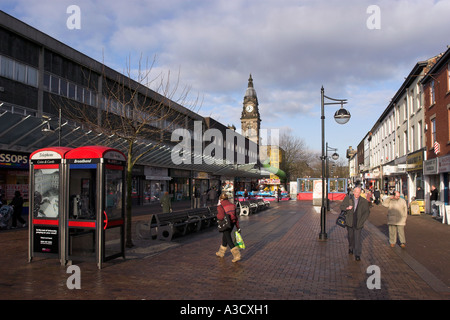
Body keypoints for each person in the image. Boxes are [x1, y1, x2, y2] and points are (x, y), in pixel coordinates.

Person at [339, 186, 370, 261]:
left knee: (358, 239)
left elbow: (367, 212)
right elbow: (341, 206)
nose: (357, 194)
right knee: (350, 236)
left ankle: (357, 254)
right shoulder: (348, 199)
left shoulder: (363, 201)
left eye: (359, 192)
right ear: (353, 192)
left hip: (358, 222)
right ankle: (350, 247)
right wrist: (347, 208)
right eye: (356, 192)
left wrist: (362, 220)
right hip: (350, 221)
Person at [215, 193, 241, 262]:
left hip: (225, 224)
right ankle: (221, 252)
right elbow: (236, 217)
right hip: (232, 224)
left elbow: (220, 217)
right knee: (225, 237)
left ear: (221, 199)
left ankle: (237, 255)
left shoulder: (221, 206)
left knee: (229, 239)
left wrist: (217, 214)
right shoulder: (232, 205)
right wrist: (238, 227)